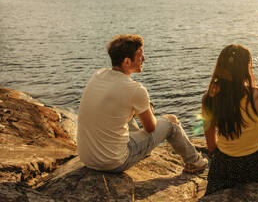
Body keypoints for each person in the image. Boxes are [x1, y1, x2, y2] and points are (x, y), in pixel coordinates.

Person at [77, 34, 207, 173]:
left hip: (87, 158)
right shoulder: (135, 89)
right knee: (171, 121)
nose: (144, 59)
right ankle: (194, 162)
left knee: (124, 111)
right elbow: (151, 128)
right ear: (127, 61)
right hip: (113, 162)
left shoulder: (98, 75)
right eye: (140, 55)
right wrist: (148, 109)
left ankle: (142, 148)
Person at [202, 44, 258, 195]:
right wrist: (248, 146)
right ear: (247, 68)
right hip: (255, 165)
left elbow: (212, 147)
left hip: (224, 168)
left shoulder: (209, 99)